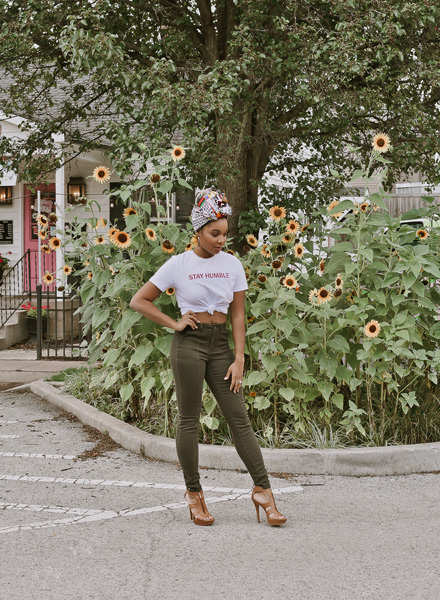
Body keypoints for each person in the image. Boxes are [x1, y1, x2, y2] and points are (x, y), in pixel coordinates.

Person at [130, 188, 286, 527]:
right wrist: (174, 322)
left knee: (239, 419)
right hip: (189, 344)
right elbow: (139, 300)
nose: (220, 240)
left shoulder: (232, 264)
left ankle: (264, 492)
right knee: (189, 419)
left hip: (221, 347)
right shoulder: (179, 264)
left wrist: (240, 357)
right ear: (197, 231)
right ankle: (194, 494)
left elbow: (238, 316)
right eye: (214, 233)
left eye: (224, 234)